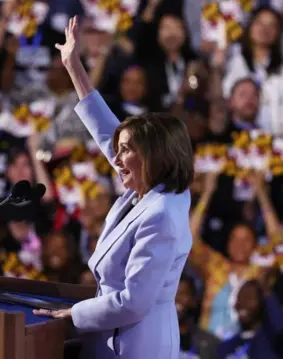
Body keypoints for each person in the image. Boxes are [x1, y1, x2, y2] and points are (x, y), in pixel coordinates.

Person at [33, 16, 195, 359]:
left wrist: (73, 315)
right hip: (112, 339)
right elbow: (107, 133)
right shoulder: (148, 191)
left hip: (136, 346)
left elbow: (134, 302)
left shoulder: (161, 214)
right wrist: (74, 67)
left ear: (155, 156)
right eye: (117, 150)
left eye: (126, 152)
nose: (115, 159)